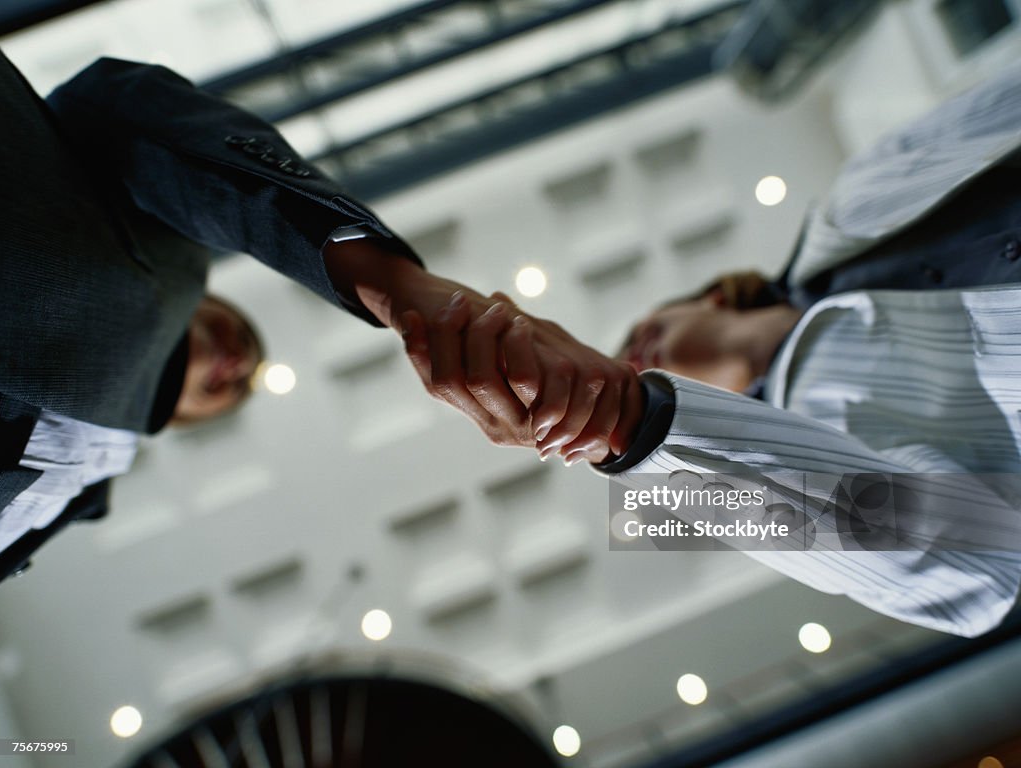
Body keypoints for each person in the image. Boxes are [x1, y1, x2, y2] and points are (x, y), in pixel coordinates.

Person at [404, 59, 1021, 637]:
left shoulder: (845, 209)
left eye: (638, 333)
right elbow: (972, 558)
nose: (630, 354)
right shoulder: (826, 450)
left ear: (711, 297)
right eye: (631, 366)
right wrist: (641, 428)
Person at [0, 49, 637, 582]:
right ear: (209, 299)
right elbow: (110, 101)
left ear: (194, 421)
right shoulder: (171, 242)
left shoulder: (82, 498)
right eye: (237, 335)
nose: (237, 362)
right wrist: (398, 289)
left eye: (235, 384)